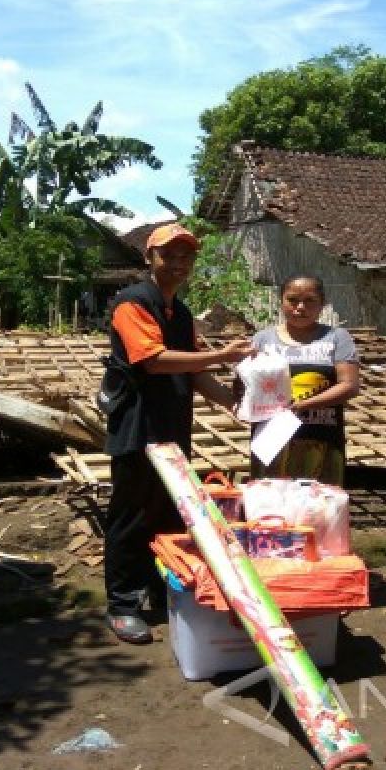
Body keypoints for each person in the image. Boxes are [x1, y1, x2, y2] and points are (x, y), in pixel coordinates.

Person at [103, 223, 253, 644]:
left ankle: (158, 588)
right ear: (149, 257)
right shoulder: (132, 303)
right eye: (169, 254)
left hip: (171, 426)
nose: (178, 263)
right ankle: (122, 603)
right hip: (137, 426)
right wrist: (222, 353)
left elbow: (194, 370)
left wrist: (233, 403)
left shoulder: (181, 312)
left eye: (186, 256)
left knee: (169, 513)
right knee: (131, 514)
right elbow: (153, 360)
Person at [250, 275, 360, 486]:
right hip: (272, 440)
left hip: (322, 437)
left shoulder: (337, 338)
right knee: (272, 503)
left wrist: (303, 405)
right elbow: (247, 384)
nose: (300, 307)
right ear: (281, 300)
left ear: (322, 304)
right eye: (292, 300)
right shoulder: (262, 340)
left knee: (319, 507)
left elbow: (349, 385)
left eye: (309, 300)